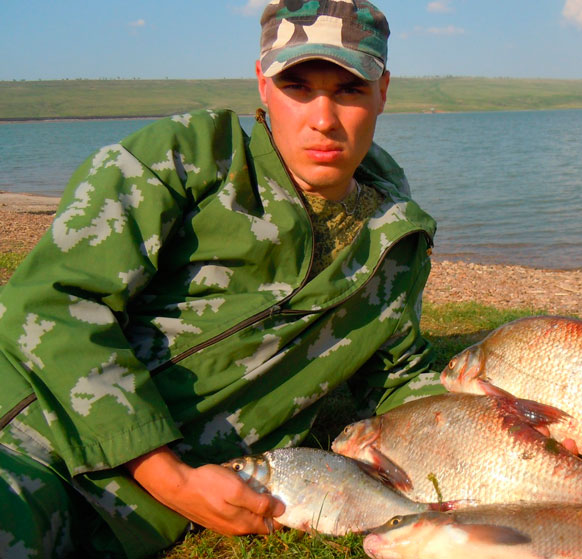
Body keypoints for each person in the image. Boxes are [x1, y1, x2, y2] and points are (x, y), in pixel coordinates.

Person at [0, 1, 443, 557]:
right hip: (30, 437)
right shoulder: (186, 160)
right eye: (298, 87)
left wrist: (511, 425)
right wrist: (170, 479)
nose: (324, 119)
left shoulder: (396, 239)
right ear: (262, 84)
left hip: (147, 515)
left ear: (382, 92)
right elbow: (53, 301)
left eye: (350, 89)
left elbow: (398, 374)